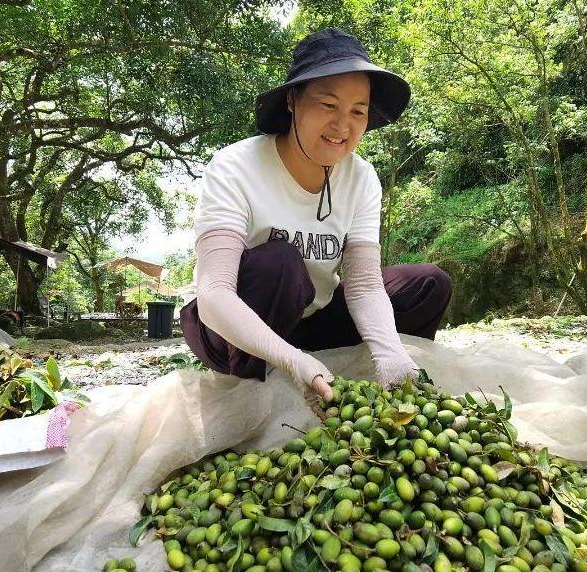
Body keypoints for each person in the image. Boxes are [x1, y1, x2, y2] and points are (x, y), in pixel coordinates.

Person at [180, 27, 452, 406]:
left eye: (358, 111)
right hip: (232, 331)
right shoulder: (235, 167)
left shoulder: (361, 178)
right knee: (280, 260)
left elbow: (364, 286)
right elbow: (214, 295)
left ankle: (371, 380)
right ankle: (260, 385)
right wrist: (293, 361)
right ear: (293, 100)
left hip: (311, 321)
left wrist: (391, 353)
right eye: (328, 105)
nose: (343, 125)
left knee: (427, 284)